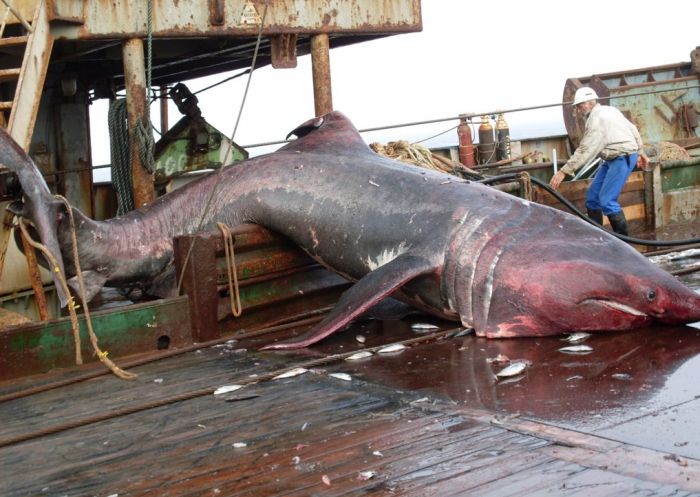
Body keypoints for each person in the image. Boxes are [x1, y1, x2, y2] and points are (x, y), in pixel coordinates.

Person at [549, 87, 649, 235]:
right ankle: (599, 238)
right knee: (592, 198)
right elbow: (633, 129)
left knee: (607, 200)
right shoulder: (610, 110)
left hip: (623, 157)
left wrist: (564, 171)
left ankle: (624, 243)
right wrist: (641, 152)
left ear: (590, 103)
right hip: (611, 159)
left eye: (580, 105)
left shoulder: (596, 120)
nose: (578, 109)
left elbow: (586, 150)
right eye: (577, 106)